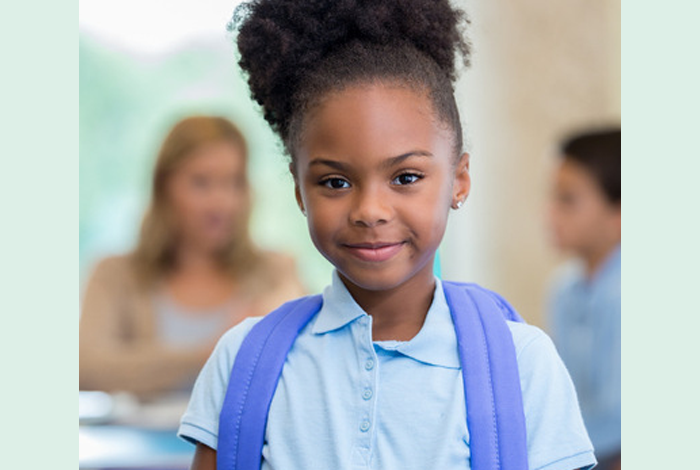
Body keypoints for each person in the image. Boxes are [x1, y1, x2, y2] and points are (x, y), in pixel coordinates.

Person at [179, 1, 597, 469]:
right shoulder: (245, 363)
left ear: (459, 180)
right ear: (299, 189)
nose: (370, 211)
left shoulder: (525, 365)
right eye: (335, 182)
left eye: (405, 177)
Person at [79, 116, 305, 398]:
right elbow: (85, 367)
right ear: (164, 188)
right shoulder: (115, 274)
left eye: (233, 182)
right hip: (142, 443)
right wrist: (209, 353)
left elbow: (309, 366)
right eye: (201, 183)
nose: (221, 202)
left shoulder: (276, 272)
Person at [547, 128, 621, 470]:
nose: (550, 212)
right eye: (552, 196)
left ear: (619, 212)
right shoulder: (565, 288)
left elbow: (622, 421)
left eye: (568, 199)